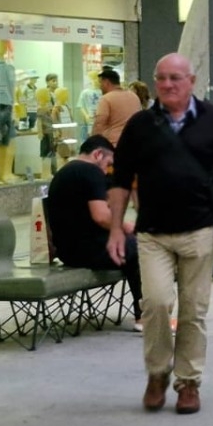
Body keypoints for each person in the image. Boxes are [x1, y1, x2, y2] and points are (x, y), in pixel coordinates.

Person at [107, 54, 213, 415]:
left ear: (191, 81)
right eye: (162, 78)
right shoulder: (140, 124)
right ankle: (157, 373)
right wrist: (115, 230)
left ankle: (188, 383)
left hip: (200, 229)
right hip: (152, 232)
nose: (168, 85)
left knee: (193, 312)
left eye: (175, 78)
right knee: (155, 303)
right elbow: (120, 180)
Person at [47, 135, 141, 326]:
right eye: (108, 164)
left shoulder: (62, 173)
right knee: (139, 247)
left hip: (67, 251)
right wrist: (126, 227)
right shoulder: (90, 172)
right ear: (98, 154)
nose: (107, 170)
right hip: (89, 249)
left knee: (131, 246)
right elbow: (101, 216)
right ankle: (145, 314)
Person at [92, 68, 142, 145]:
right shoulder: (134, 96)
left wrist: (93, 142)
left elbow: (99, 124)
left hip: (114, 144)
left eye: (100, 83)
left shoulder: (106, 98)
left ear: (106, 82)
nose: (100, 86)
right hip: (135, 142)